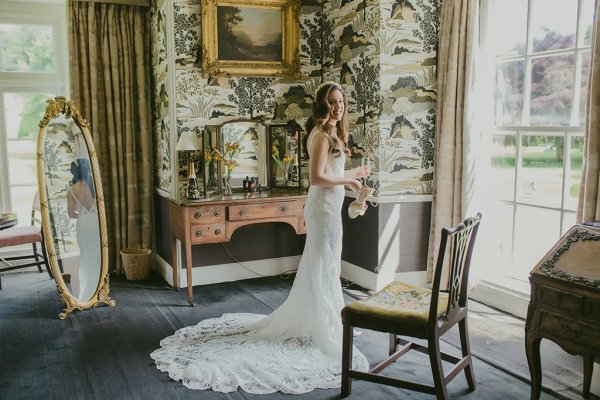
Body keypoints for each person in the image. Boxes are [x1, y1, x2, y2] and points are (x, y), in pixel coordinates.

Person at [150, 81, 371, 394]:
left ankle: (332, 318)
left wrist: (355, 188)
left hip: (333, 206)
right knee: (322, 262)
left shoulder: (336, 133)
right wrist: (352, 176)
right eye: (332, 102)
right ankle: (325, 324)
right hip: (321, 208)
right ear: (322, 105)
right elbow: (318, 178)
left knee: (328, 263)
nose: (338, 107)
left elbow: (333, 176)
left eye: (341, 102)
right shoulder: (321, 134)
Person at [67, 158, 100, 302]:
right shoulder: (96, 185)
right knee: (97, 256)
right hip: (96, 223)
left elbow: (71, 214)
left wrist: (81, 215)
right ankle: (98, 290)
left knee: (85, 256)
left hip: (83, 224)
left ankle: (86, 292)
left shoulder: (72, 189)